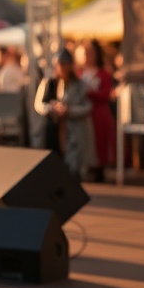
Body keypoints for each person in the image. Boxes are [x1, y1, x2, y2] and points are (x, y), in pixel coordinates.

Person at [34, 47, 93, 181]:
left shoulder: (78, 84)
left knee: (73, 164)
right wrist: (52, 108)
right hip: (53, 128)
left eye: (65, 65)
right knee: (53, 161)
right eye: (60, 65)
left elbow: (87, 106)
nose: (63, 68)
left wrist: (69, 110)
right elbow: (39, 104)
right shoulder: (49, 82)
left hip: (72, 129)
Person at [76, 39, 115, 182]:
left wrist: (89, 92)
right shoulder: (79, 73)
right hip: (84, 113)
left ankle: (100, 169)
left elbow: (105, 94)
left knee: (100, 141)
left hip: (99, 113)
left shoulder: (103, 74)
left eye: (90, 52)